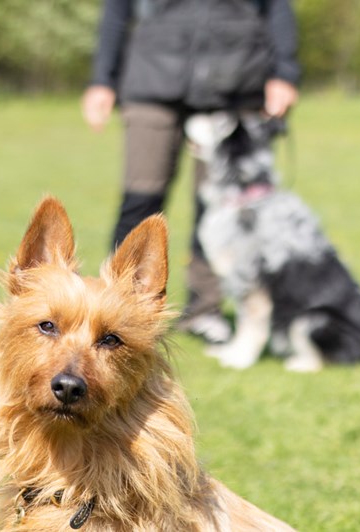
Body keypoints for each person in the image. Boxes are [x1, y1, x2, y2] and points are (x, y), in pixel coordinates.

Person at [82, 0, 300, 340]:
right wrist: (102, 79)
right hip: (152, 80)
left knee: (217, 209)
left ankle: (204, 309)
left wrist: (284, 72)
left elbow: (277, 7)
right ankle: (115, 312)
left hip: (235, 84)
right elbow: (117, 9)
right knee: (140, 200)